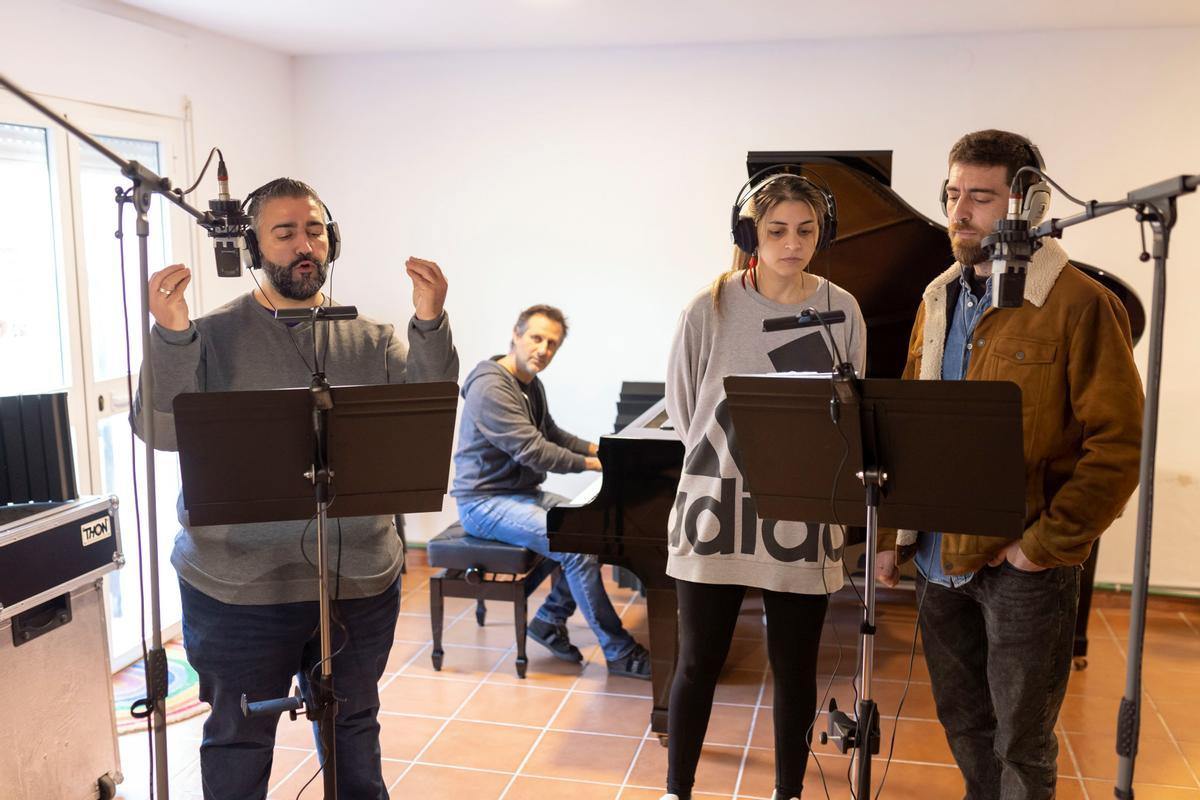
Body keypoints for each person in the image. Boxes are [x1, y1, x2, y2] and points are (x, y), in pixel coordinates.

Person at [132, 177, 459, 799]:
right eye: (283, 234)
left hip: (357, 579)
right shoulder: (209, 336)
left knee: (354, 726)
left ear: (331, 241)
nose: (302, 245)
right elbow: (158, 430)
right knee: (237, 737)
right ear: (254, 249)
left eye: (313, 231)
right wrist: (171, 334)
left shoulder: (372, 337)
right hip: (237, 587)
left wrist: (429, 321)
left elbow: (431, 408)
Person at [876, 130, 1144, 800]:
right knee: (963, 720)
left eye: (981, 197)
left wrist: (1043, 546)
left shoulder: (1080, 304)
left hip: (1024, 566)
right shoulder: (937, 298)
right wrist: (891, 534)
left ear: (1028, 202)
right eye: (952, 194)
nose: (958, 211)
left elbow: (1118, 443)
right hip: (939, 555)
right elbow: (909, 423)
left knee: (1021, 745)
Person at [661, 171, 866, 800]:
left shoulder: (841, 308)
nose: (792, 243)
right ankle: (678, 790)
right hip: (714, 503)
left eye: (806, 230)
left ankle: (788, 793)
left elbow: (852, 408)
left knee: (795, 669)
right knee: (697, 663)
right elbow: (682, 404)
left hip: (801, 508)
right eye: (776, 230)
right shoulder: (709, 306)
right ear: (749, 233)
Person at [451, 304, 652, 678]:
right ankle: (619, 650)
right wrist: (599, 465)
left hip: (521, 495)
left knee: (595, 530)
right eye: (536, 338)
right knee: (575, 546)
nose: (543, 349)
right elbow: (533, 449)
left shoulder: (530, 383)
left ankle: (547, 621)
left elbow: (552, 433)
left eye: (552, 344)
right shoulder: (490, 385)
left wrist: (603, 449)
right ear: (516, 334)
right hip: (484, 502)